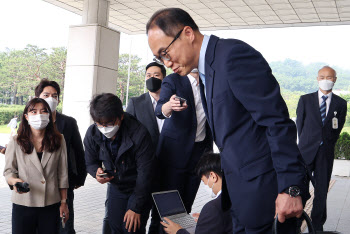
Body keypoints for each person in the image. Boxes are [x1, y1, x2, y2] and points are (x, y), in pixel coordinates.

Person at [146, 8, 309, 233]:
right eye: (159, 58)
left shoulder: (232, 56)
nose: (166, 62)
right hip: (240, 200)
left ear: (187, 33)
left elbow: (276, 122)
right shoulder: (205, 73)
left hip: (266, 199)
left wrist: (291, 188)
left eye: (165, 52)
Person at [84, 93, 155, 234]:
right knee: (115, 227)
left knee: (132, 229)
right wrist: (96, 172)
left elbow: (145, 174)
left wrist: (136, 207)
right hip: (117, 187)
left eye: (109, 124)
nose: (104, 128)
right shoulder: (93, 133)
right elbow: (90, 161)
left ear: (121, 116)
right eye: (100, 124)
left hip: (139, 188)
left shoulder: (139, 134)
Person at [155, 68, 213, 231]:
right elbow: (159, 110)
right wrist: (169, 105)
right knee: (168, 211)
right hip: (173, 155)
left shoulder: (209, 81)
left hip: (199, 153)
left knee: (185, 207)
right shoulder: (173, 80)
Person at [3, 98, 69, 234]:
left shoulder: (59, 140)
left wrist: (63, 202)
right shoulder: (16, 141)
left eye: (44, 111)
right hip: (23, 203)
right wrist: (15, 181)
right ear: (26, 117)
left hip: (51, 203)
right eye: (34, 111)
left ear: (49, 116)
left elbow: (63, 174)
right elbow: (9, 171)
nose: (39, 115)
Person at [296, 66, 347, 231]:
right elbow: (300, 126)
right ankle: (296, 223)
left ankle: (317, 226)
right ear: (318, 78)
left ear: (335, 80)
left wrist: (328, 142)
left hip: (325, 153)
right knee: (299, 188)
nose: (326, 79)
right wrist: (307, 142)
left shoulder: (341, 103)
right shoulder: (305, 100)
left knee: (322, 190)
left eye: (330, 77)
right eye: (323, 76)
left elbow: (337, 128)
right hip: (305, 152)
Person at [34, 79, 87, 234]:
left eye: (55, 95)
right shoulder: (31, 121)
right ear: (38, 97)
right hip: (38, 184)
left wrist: (80, 178)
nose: (51, 98)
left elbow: (78, 151)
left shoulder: (68, 122)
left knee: (65, 226)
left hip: (64, 183)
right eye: (46, 94)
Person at [126, 62, 166, 234]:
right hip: (142, 171)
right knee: (138, 219)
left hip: (167, 169)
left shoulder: (174, 101)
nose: (151, 78)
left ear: (164, 78)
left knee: (161, 220)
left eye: (156, 75)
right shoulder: (135, 102)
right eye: (148, 75)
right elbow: (127, 135)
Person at [161, 152, 233, 234]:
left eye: (203, 181)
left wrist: (178, 231)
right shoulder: (236, 195)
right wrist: (207, 220)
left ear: (213, 176)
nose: (205, 184)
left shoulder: (213, 208)